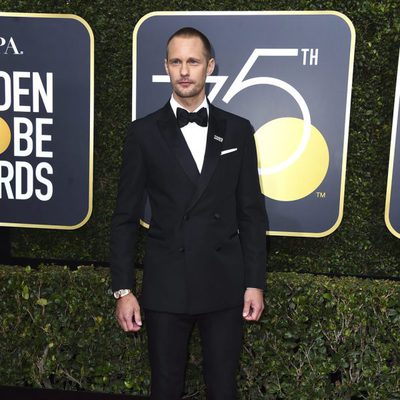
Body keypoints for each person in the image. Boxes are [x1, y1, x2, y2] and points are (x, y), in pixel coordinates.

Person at [110, 27, 267, 400]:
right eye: (176, 61)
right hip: (167, 285)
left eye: (192, 61)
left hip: (224, 285)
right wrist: (123, 289)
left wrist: (255, 282)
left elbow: (251, 214)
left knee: (223, 388)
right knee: (164, 387)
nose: (184, 70)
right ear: (166, 66)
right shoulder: (143, 133)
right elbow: (124, 217)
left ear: (209, 66)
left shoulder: (238, 131)